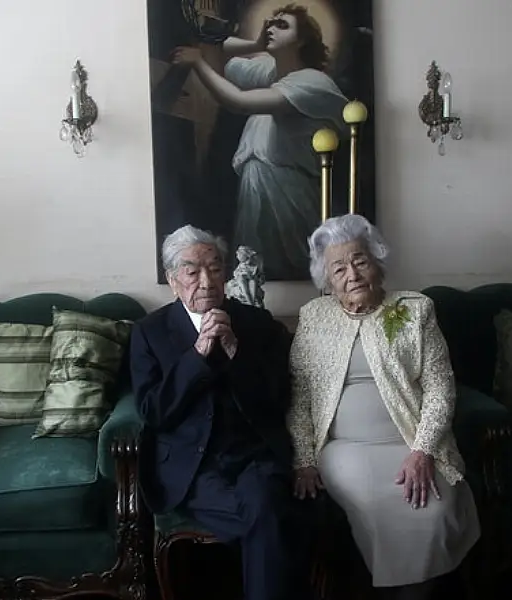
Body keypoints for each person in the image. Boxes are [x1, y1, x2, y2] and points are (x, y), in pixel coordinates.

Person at [288, 214, 481, 600]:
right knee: (375, 501)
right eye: (339, 268)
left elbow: (441, 389)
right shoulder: (313, 317)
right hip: (345, 449)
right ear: (328, 280)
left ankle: (412, 592)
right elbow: (301, 397)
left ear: (376, 261)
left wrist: (422, 451)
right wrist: (304, 459)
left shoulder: (415, 310)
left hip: (411, 442)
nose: (352, 274)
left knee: (436, 508)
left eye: (359, 260)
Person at [130, 225, 310, 600]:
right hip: (192, 465)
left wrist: (233, 351)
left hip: (252, 455)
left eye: (214, 268)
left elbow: (278, 399)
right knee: (270, 519)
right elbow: (154, 412)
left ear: (227, 272)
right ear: (173, 280)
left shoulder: (258, 324)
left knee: (264, 502)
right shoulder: (150, 332)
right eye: (192, 271)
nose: (207, 280)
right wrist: (196, 355)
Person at [171, 4, 348, 280]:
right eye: (270, 22)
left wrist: (197, 63)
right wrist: (255, 43)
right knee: (252, 267)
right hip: (255, 183)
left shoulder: (313, 82)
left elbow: (238, 101)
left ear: (302, 40)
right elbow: (219, 57)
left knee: (283, 264)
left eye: (282, 25)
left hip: (289, 188)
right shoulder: (269, 70)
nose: (271, 28)